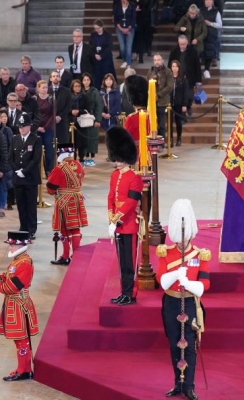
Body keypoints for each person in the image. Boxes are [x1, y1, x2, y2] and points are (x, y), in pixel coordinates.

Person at [156, 199, 210, 400]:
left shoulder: (200, 255)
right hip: (171, 303)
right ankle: (177, 383)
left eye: (184, 238)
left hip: (189, 303)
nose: (180, 242)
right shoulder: (166, 253)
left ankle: (189, 385)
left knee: (189, 346)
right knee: (174, 344)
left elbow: (205, 285)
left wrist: (187, 282)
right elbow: (161, 281)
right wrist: (175, 275)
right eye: (178, 238)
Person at [0, 231, 40, 381]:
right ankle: (23, 368)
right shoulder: (18, 260)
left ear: (20, 245)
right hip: (13, 303)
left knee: (21, 339)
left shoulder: (24, 263)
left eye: (12, 245)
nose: (10, 247)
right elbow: (9, 275)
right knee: (19, 339)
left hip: (19, 304)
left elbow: (14, 286)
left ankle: (24, 370)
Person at [107, 127, 143, 306]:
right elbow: (110, 198)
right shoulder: (114, 176)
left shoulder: (135, 178)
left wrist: (117, 219)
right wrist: (111, 220)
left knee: (130, 263)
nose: (117, 162)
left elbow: (130, 203)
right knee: (122, 263)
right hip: (118, 224)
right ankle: (124, 292)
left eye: (120, 159)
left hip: (129, 225)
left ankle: (131, 293)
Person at [46, 144, 88, 265]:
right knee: (75, 228)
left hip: (64, 202)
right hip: (77, 199)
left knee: (64, 230)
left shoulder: (60, 168)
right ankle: (75, 255)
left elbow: (50, 187)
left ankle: (66, 255)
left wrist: (55, 192)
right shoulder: (79, 165)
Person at [10, 113, 42, 241]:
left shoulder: (36, 139)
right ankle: (23, 227)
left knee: (30, 204)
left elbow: (36, 159)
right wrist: (17, 170)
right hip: (18, 177)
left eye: (24, 126)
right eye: (20, 127)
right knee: (21, 205)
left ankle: (31, 229)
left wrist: (25, 171)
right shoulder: (15, 139)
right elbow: (10, 157)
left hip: (30, 177)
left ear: (29, 126)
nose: (21, 129)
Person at [168, 60, 193, 147]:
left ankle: (179, 138)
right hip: (170, 104)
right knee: (169, 122)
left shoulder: (183, 78)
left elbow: (186, 92)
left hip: (179, 104)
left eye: (176, 66)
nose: (174, 68)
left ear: (179, 68)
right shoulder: (169, 77)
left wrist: (184, 104)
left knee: (179, 122)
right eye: (173, 66)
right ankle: (170, 140)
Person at [81, 73, 104, 161]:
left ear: (90, 81)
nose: (86, 82)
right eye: (84, 80)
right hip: (83, 118)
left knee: (92, 137)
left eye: (88, 80)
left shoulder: (95, 91)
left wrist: (98, 120)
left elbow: (98, 106)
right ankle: (85, 156)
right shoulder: (81, 91)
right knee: (84, 138)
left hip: (93, 117)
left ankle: (92, 157)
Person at [114, 0, 137, 69]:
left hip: (130, 29)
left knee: (128, 47)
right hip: (119, 29)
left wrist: (128, 29)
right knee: (122, 48)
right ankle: (125, 60)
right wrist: (121, 29)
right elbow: (115, 20)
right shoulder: (117, 6)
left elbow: (133, 19)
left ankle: (128, 64)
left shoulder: (132, 5)